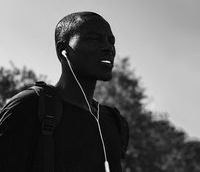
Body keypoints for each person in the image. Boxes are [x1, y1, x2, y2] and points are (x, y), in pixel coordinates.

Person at [0, 11, 129, 172]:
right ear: (63, 49)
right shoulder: (29, 106)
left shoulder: (114, 122)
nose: (108, 48)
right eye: (94, 39)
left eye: (111, 41)